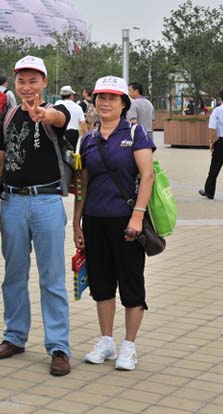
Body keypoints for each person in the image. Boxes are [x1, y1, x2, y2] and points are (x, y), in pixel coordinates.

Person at [0, 55, 73, 376]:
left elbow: (59, 118)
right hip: (12, 202)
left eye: (33, 81)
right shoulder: (9, 116)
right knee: (13, 274)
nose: (27, 87)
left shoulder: (58, 110)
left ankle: (58, 346)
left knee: (52, 277)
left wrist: (43, 114)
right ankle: (14, 336)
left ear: (45, 82)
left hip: (47, 201)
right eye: (21, 81)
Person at [73, 76, 155, 371]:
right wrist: (76, 223)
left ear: (123, 103)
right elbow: (82, 185)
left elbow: (147, 175)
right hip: (94, 220)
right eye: (101, 98)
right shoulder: (88, 139)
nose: (105, 103)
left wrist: (138, 216)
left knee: (131, 284)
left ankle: (129, 346)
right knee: (102, 283)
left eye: (112, 98)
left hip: (126, 222)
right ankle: (106, 341)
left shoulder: (135, 133)